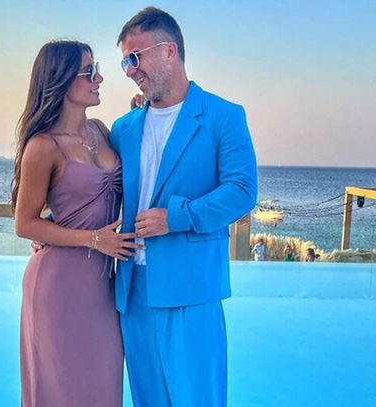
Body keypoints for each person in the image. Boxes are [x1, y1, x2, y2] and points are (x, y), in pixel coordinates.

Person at [109, 7, 258, 406]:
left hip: (192, 289)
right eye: (124, 62)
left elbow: (242, 190)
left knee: (198, 399)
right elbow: (97, 185)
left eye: (134, 57)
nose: (129, 70)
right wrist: (55, 226)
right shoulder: (123, 128)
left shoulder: (224, 116)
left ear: (169, 50)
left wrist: (177, 217)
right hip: (132, 291)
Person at [13, 40, 140, 407]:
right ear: (61, 80)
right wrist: (94, 239)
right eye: (89, 72)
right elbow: (24, 223)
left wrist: (142, 114)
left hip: (102, 287)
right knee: (60, 388)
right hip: (58, 286)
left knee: (102, 385)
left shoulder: (101, 130)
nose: (99, 78)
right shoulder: (43, 146)